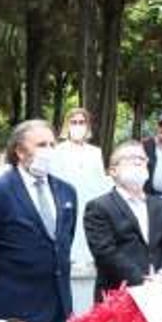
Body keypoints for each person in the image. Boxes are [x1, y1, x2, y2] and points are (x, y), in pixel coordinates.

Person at [0, 120, 77, 322]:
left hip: (57, 312)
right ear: (20, 151)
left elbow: (63, 242)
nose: (48, 151)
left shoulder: (67, 192)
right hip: (13, 315)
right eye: (41, 145)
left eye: (52, 145)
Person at [85, 141, 162, 302]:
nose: (138, 162)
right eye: (130, 158)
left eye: (142, 158)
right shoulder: (99, 207)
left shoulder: (160, 206)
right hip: (118, 297)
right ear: (113, 171)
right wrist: (142, 281)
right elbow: (106, 253)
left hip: (160, 293)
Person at [51, 106, 111, 269]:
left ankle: (88, 257)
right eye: (74, 122)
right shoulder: (58, 150)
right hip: (66, 200)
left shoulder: (95, 152)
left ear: (87, 126)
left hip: (89, 199)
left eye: (81, 122)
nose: (78, 125)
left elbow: (100, 178)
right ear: (67, 125)